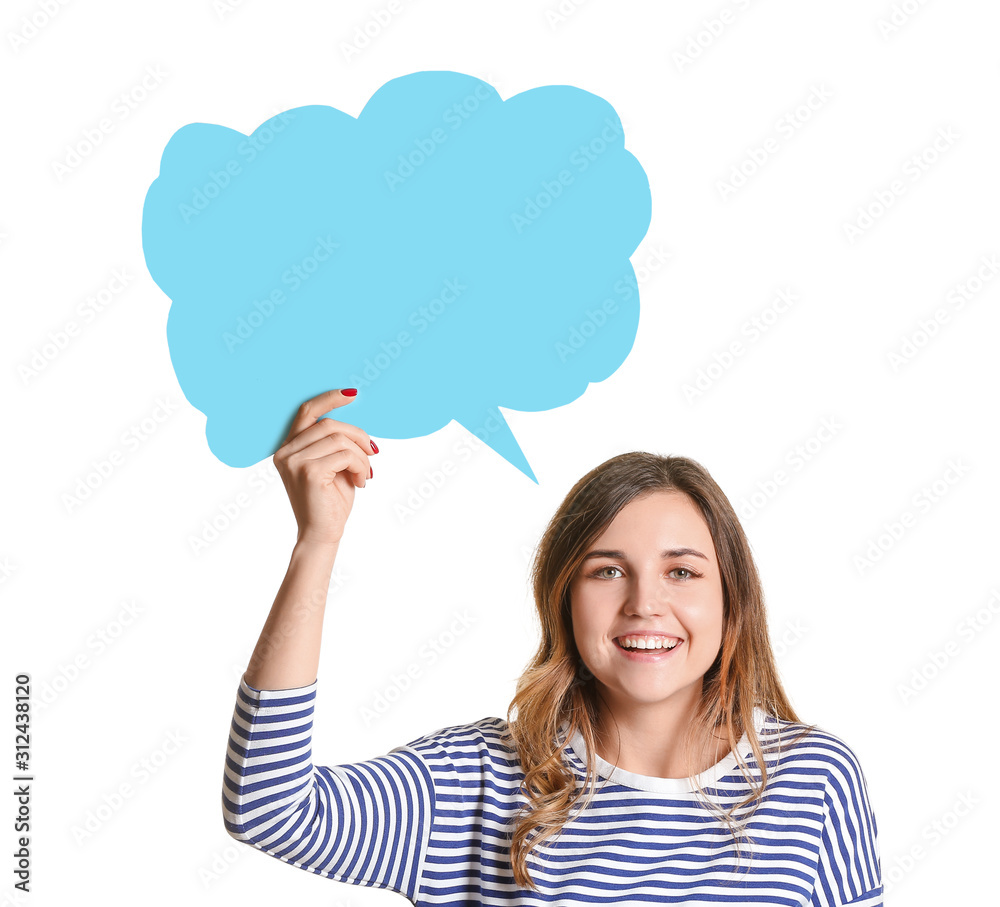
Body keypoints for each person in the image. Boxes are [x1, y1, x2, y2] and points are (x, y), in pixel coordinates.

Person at [222, 387, 883, 906]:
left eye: (681, 570)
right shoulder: (476, 781)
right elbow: (270, 807)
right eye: (607, 570)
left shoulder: (815, 781)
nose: (644, 602)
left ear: (731, 599)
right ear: (563, 597)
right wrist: (318, 542)